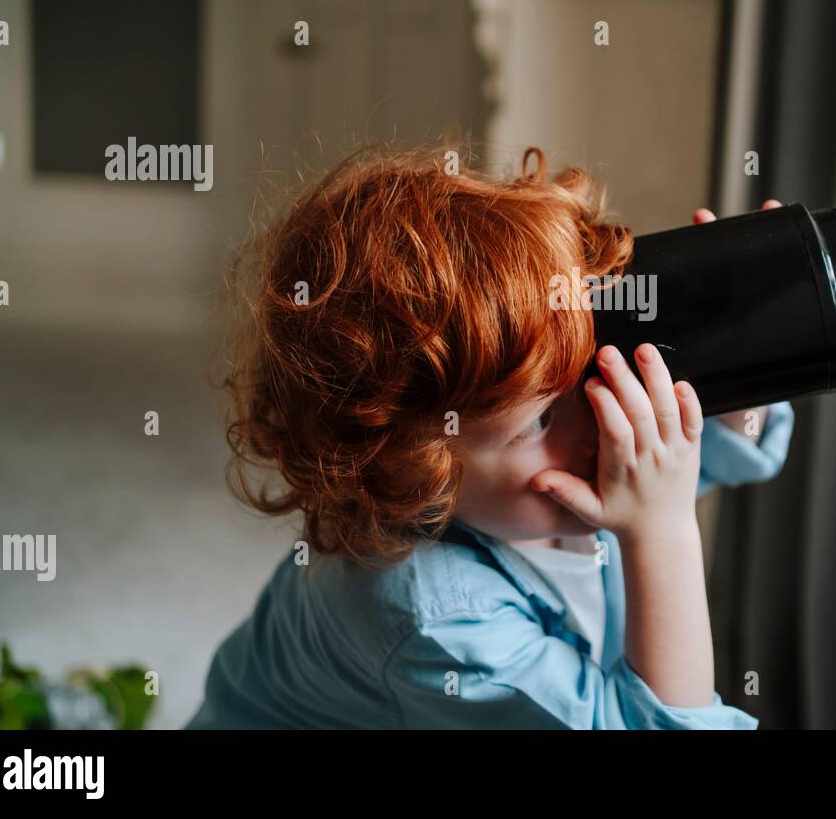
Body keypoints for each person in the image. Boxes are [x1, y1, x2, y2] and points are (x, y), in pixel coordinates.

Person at [187, 146, 794, 729]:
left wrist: (753, 341)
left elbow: (710, 451)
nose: (604, 421)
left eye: (587, 370)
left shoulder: (536, 482)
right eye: (539, 421)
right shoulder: (433, 613)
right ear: (410, 480)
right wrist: (662, 533)